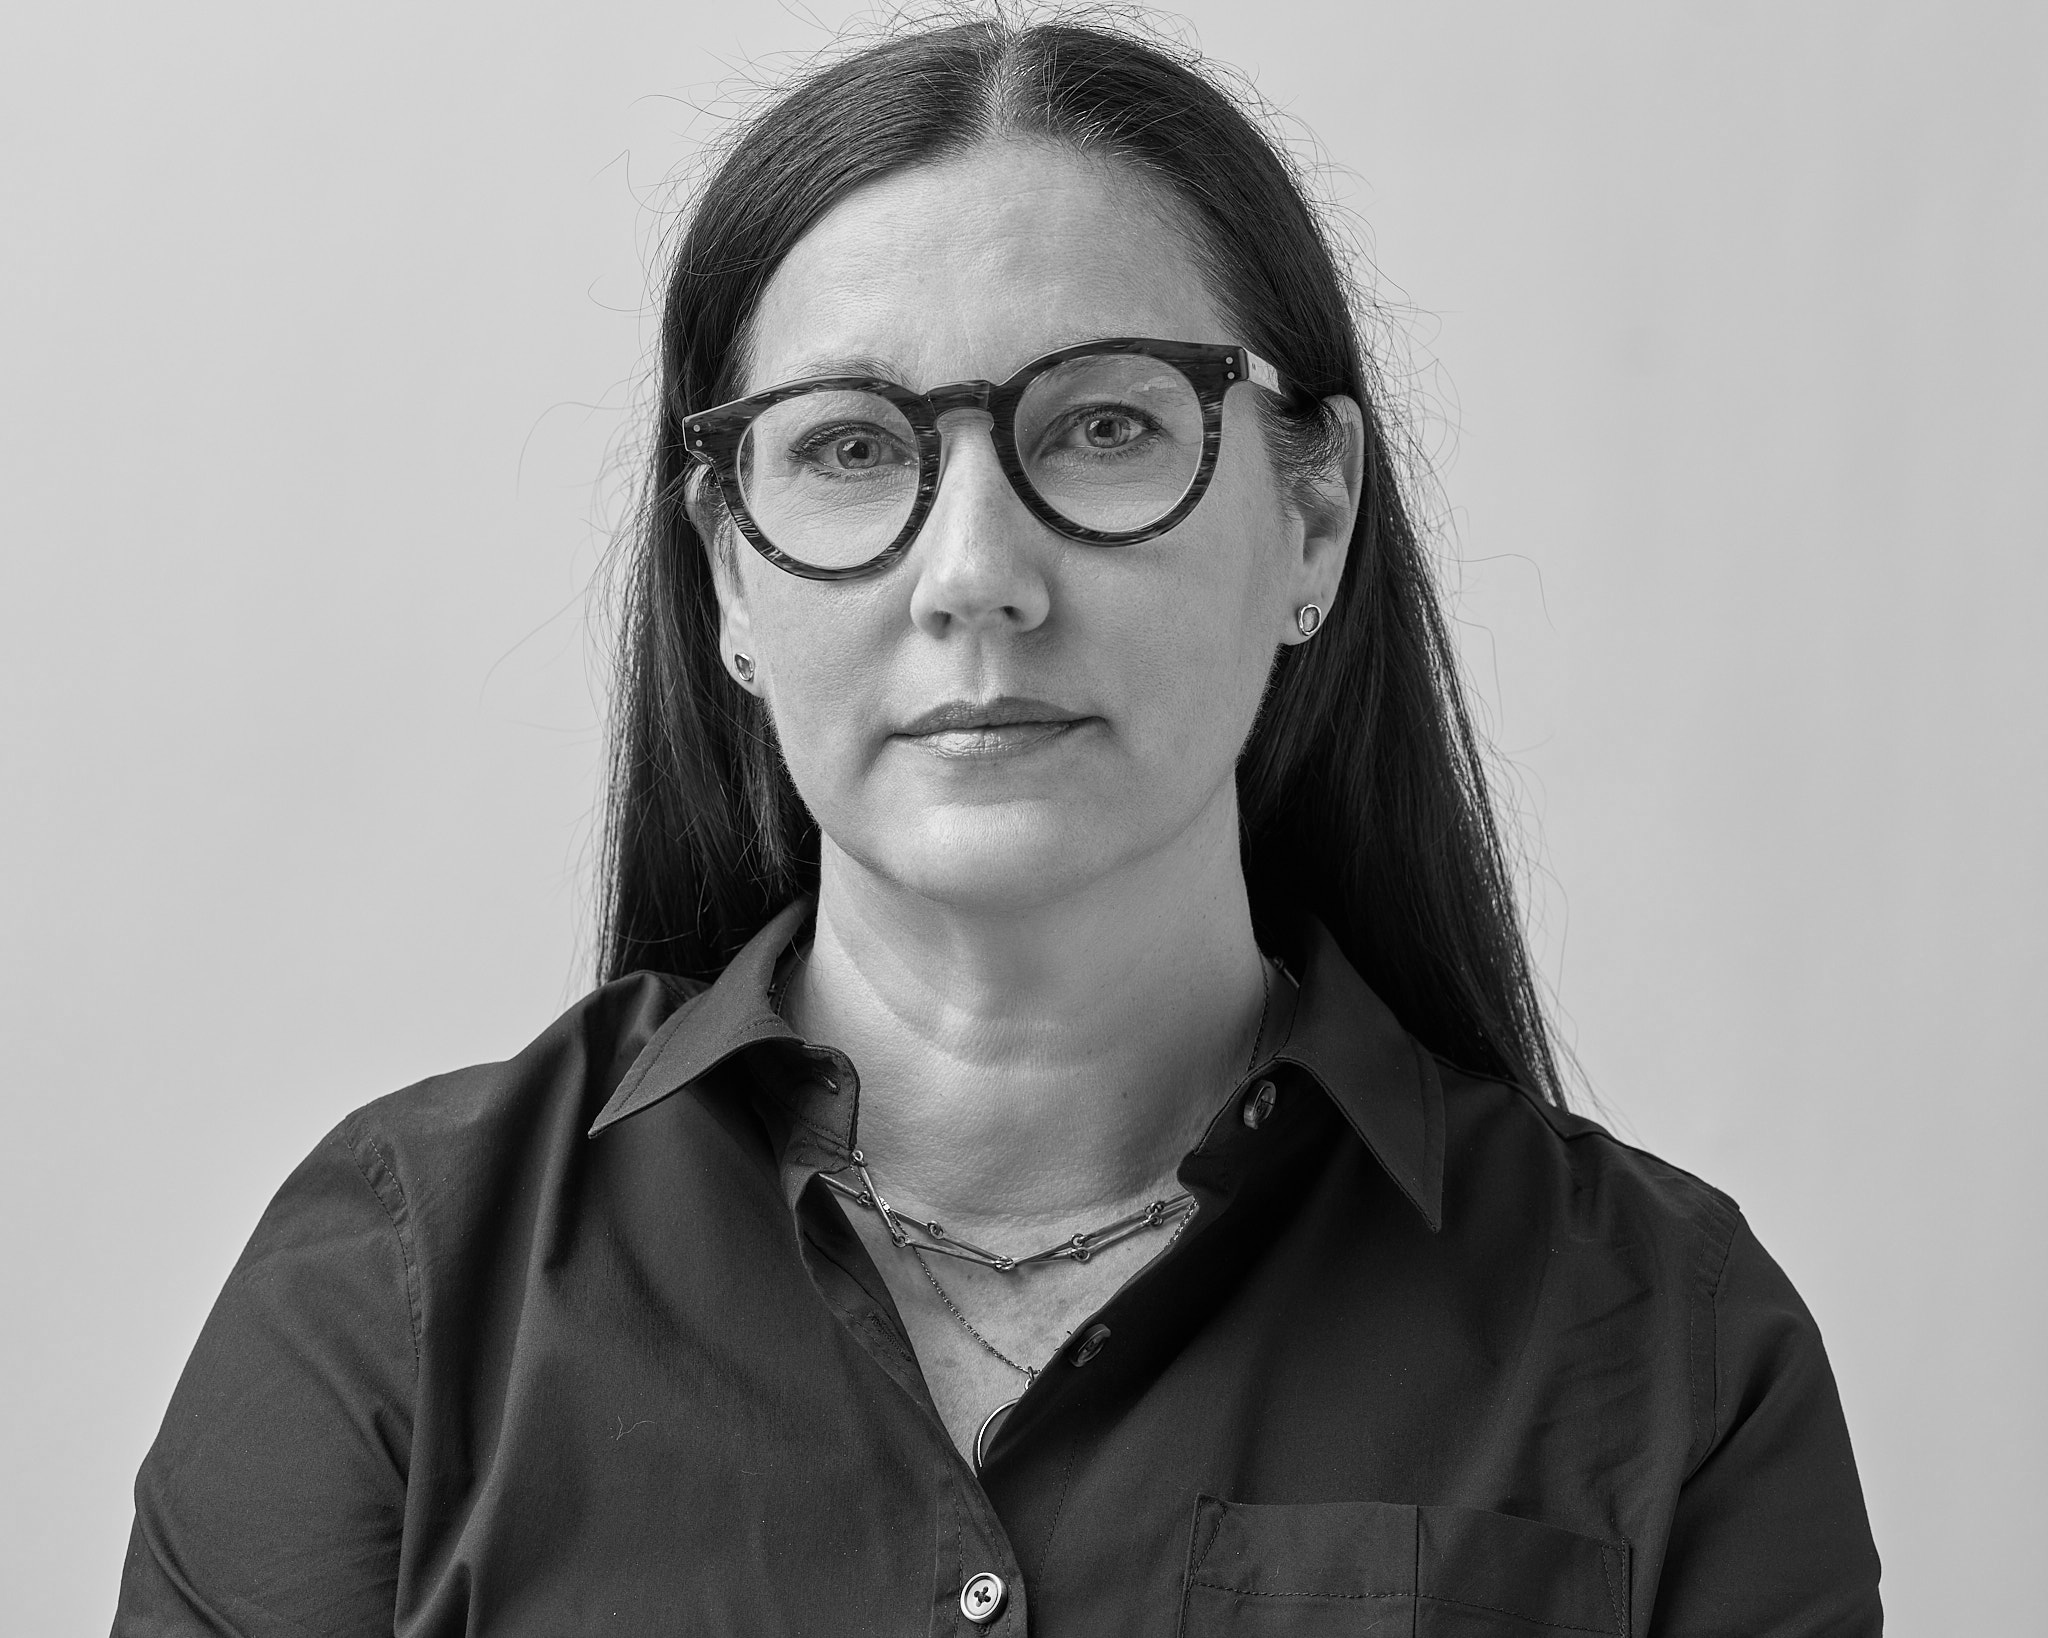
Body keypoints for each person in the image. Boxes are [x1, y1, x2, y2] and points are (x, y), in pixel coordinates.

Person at [113, 14, 1882, 1636]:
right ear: (729, 568)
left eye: (1105, 423)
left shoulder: (1667, 1351)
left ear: (1316, 511)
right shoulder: (397, 1297)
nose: (977, 576)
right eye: (850, 450)